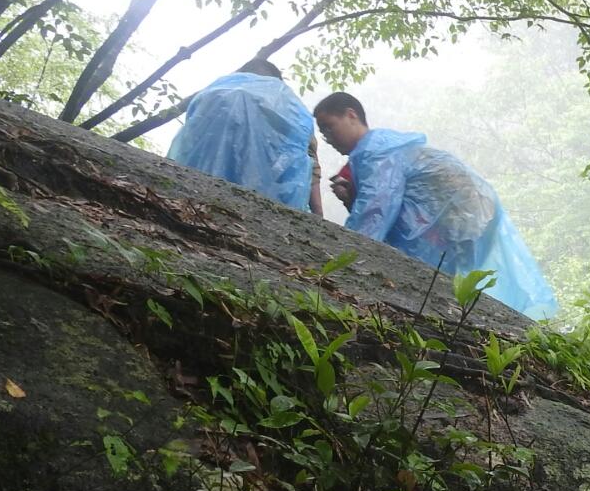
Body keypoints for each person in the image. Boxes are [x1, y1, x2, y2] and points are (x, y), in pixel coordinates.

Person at [312, 92, 557, 320]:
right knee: (441, 281)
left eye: (329, 127)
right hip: (471, 213)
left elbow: (375, 212)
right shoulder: (382, 147)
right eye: (323, 133)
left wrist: (337, 256)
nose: (327, 138)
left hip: (462, 214)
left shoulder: (377, 151)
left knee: (426, 275)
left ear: (351, 114)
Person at [168, 59, 322, 215]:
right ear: (276, 81)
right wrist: (318, 216)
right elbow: (308, 167)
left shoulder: (213, 93)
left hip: (195, 195)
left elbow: (185, 146)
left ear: (243, 74)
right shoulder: (293, 108)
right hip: (266, 208)